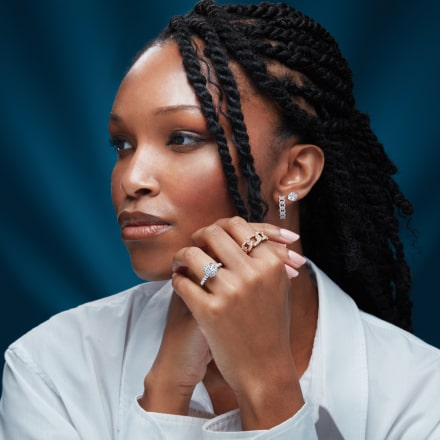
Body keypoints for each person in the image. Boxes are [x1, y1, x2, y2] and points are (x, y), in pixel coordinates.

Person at [1, 0, 439, 438]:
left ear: (294, 172)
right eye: (123, 144)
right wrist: (165, 391)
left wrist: (268, 388)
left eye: (182, 138)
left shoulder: (420, 395)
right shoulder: (49, 369)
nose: (131, 179)